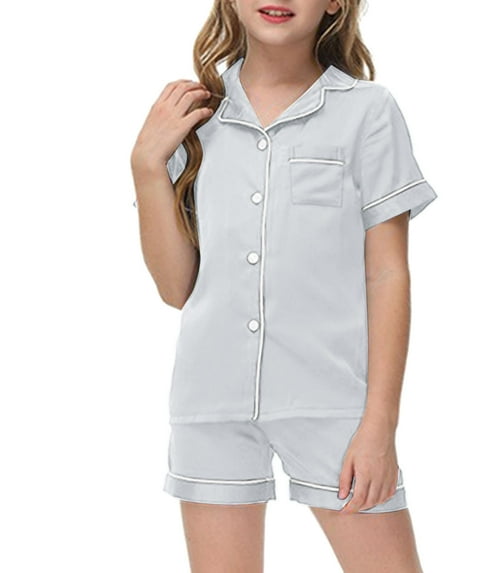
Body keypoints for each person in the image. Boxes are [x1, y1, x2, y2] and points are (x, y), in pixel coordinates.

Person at [131, 1, 438, 571]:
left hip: (333, 400)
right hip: (211, 402)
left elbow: (388, 274)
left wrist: (380, 425)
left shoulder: (367, 111)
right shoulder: (192, 116)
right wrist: (147, 167)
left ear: (335, 3)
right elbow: (177, 288)